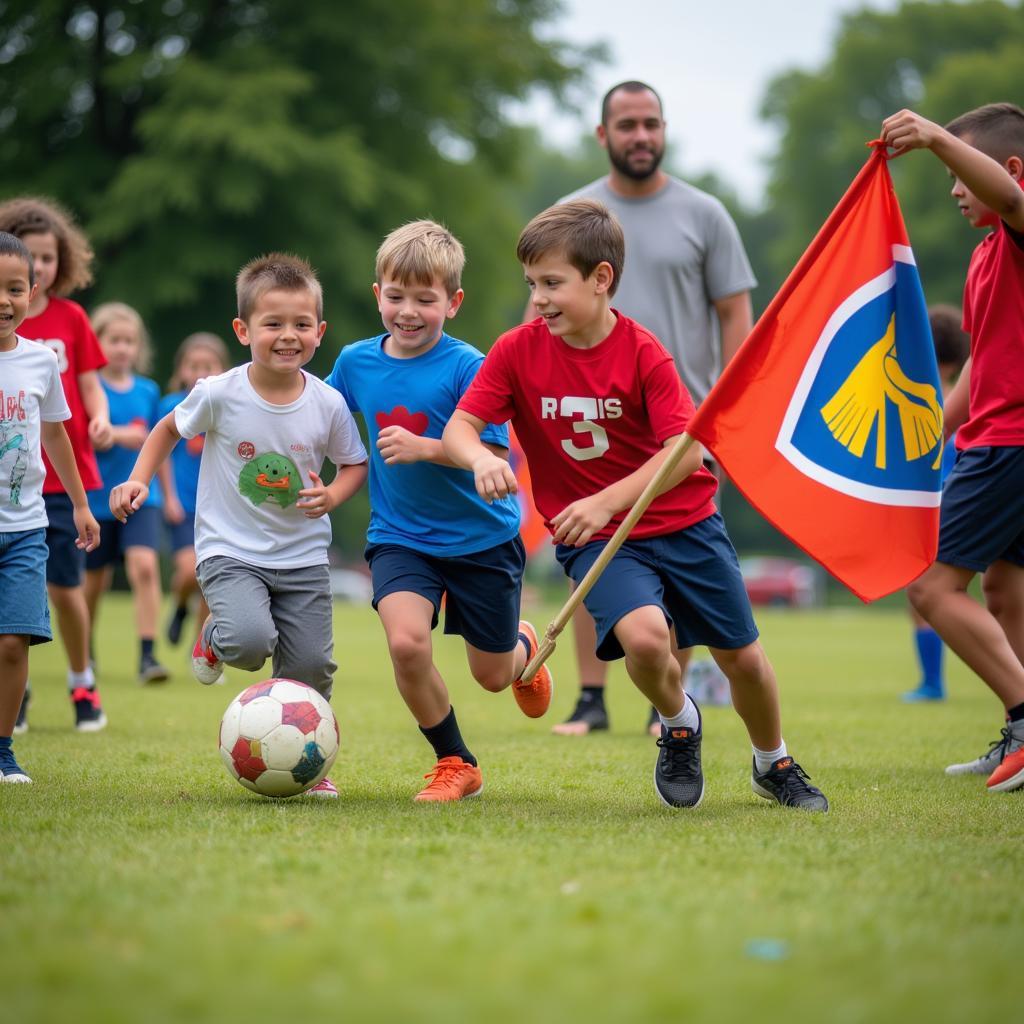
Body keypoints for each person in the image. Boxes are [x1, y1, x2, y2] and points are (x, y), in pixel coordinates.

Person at [444, 199, 828, 811]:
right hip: (595, 540)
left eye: (552, 283)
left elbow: (687, 452)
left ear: (601, 279)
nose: (538, 299)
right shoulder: (517, 350)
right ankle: (680, 723)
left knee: (743, 659)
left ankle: (772, 761)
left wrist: (603, 501)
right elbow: (459, 429)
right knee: (647, 642)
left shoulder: (644, 351)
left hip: (686, 524)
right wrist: (483, 458)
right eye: (532, 284)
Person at [109, 253, 368, 798]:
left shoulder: (328, 403)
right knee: (249, 644)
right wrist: (137, 480)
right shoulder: (219, 392)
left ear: (320, 331)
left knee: (312, 666)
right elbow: (165, 430)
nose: (287, 336)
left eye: (301, 325)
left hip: (302, 556)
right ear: (243, 329)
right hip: (231, 551)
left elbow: (354, 463)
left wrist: (333, 494)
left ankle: (309, 763)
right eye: (273, 324)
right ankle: (213, 637)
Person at [547, 81, 757, 737]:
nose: (641, 135)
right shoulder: (571, 213)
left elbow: (734, 312)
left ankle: (663, 708)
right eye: (627, 124)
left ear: (663, 130)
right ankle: (590, 698)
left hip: (682, 427)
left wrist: (730, 402)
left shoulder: (705, 214)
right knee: (593, 542)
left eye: (651, 123)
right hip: (591, 418)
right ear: (602, 134)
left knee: (684, 563)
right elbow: (542, 314)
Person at [325, 220, 554, 803]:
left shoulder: (468, 366)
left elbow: (496, 450)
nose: (408, 311)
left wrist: (425, 447)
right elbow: (316, 417)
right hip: (401, 536)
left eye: (424, 300)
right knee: (406, 644)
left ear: (451, 302)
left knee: (492, 676)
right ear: (377, 293)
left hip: (482, 539)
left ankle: (522, 647)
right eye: (395, 296)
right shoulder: (354, 363)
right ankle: (456, 760)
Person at [882, 103, 1024, 792]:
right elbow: (979, 363)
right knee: (1003, 589)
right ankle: (1017, 736)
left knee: (931, 587)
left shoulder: (1019, 226)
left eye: (960, 173)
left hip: (1010, 446)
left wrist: (935, 135)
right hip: (990, 442)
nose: (954, 188)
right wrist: (932, 429)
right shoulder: (984, 256)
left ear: (1009, 168)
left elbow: (1009, 197)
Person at [0, 196, 112, 734]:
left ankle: (81, 679)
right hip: (11, 483)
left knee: (66, 588)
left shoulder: (68, 320)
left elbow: (87, 386)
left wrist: (101, 418)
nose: (39, 265)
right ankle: (14, 697)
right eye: (31, 256)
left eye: (46, 259)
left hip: (63, 480)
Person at [83, 302, 171, 685]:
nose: (122, 348)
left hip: (141, 499)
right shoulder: (89, 388)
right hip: (97, 498)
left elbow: (160, 443)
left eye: (129, 341)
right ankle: (84, 651)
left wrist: (169, 496)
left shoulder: (148, 391)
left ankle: (148, 656)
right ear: (97, 342)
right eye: (113, 340)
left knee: (146, 568)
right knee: (93, 582)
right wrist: (120, 435)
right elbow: (84, 437)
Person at [901, 305, 969, 702]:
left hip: (937, 507)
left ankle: (933, 682)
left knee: (925, 592)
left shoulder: (921, 399)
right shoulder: (970, 396)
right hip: (973, 501)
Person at [159, 333, 231, 653]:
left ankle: (200, 649)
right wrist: (169, 497)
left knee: (211, 584)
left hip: (218, 508)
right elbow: (161, 453)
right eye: (194, 365)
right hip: (184, 506)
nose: (201, 372)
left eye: (209, 365)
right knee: (190, 571)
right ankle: (179, 604)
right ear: (181, 371)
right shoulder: (171, 406)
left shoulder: (227, 406)